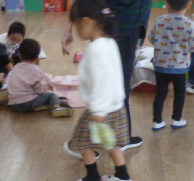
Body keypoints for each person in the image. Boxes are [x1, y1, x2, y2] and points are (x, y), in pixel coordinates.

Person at [62, 0, 153, 153]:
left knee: (113, 83)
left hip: (122, 24)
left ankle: (113, 138)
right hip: (123, 24)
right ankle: (100, 141)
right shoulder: (100, 44)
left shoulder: (100, 42)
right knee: (114, 82)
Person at [66, 0, 132, 181]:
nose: (77, 30)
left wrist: (98, 110)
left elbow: (101, 79)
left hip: (100, 108)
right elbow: (114, 75)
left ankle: (92, 177)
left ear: (87, 21)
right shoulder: (110, 42)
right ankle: (122, 174)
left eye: (77, 25)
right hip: (115, 104)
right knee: (111, 142)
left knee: (82, 142)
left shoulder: (96, 48)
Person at [149, 0, 194, 130]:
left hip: (160, 65)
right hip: (180, 67)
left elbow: (151, 39)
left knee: (160, 93)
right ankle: (177, 119)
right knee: (180, 93)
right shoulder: (190, 24)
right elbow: (193, 47)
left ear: (167, 4)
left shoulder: (160, 20)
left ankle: (157, 121)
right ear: (189, 4)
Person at [7, 39, 73, 118]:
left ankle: (54, 102)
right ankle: (56, 108)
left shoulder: (16, 67)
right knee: (51, 95)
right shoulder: (36, 69)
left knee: (42, 98)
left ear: (20, 55)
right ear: (38, 57)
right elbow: (39, 90)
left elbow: (10, 80)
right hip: (28, 103)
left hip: (14, 105)